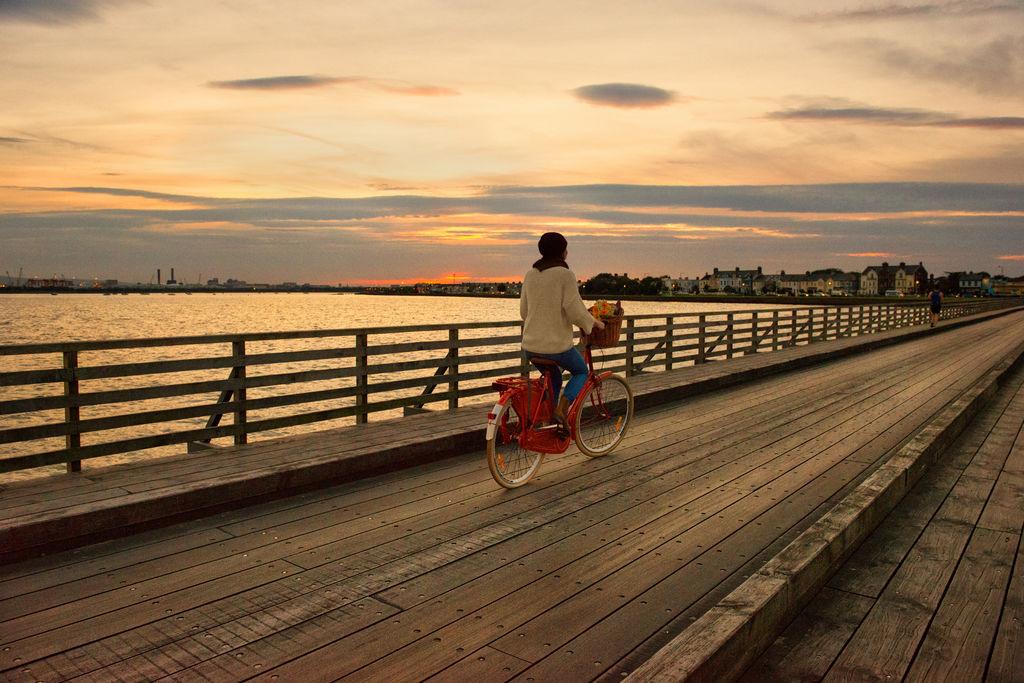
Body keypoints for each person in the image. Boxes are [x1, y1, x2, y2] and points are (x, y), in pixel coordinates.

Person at [520, 232, 605, 430]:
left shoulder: (530, 274)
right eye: (566, 248)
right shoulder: (565, 274)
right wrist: (593, 324)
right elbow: (575, 310)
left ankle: (548, 419)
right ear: (562, 251)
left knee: (555, 377)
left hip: (531, 346)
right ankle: (561, 410)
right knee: (580, 371)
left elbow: (524, 312)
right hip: (556, 347)